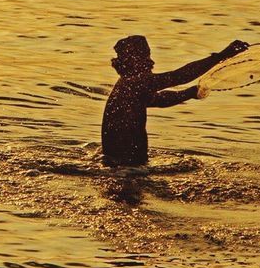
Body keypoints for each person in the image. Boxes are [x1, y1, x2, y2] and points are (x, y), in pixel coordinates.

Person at [101, 35, 249, 168]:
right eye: (145, 57)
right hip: (126, 165)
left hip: (120, 165)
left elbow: (158, 100)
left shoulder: (126, 86)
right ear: (133, 61)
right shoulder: (135, 82)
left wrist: (189, 93)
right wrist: (221, 56)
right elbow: (180, 76)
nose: (151, 62)